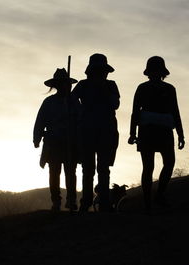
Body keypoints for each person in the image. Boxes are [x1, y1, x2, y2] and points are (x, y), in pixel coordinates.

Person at [128, 56, 185, 211]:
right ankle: (148, 203)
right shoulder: (142, 88)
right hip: (147, 131)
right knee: (148, 167)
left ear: (161, 72)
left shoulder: (170, 89)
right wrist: (132, 133)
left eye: (157, 71)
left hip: (164, 130)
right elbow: (135, 112)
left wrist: (181, 134)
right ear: (149, 72)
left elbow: (175, 111)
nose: (155, 73)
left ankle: (159, 195)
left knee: (169, 162)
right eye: (153, 71)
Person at [72, 53, 120, 212]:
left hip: (106, 131)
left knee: (103, 167)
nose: (102, 73)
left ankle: (104, 202)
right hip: (86, 130)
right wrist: (82, 112)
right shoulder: (83, 85)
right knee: (88, 168)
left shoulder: (111, 85)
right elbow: (72, 102)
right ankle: (86, 201)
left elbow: (115, 104)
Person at [33, 68, 80, 211]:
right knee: (54, 172)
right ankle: (56, 201)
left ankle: (71, 200)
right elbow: (40, 120)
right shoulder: (49, 102)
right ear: (57, 86)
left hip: (70, 141)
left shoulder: (74, 102)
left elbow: (80, 119)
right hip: (53, 142)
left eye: (66, 83)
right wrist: (37, 138)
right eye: (62, 84)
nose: (65, 86)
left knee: (70, 172)